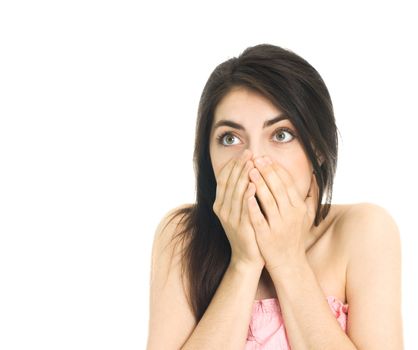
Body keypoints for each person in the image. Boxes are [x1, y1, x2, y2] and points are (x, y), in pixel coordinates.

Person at [146, 43, 403, 350]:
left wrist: (287, 259)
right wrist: (244, 262)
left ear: (318, 149)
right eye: (230, 138)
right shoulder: (182, 234)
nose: (253, 159)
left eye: (281, 135)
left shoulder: (364, 229)